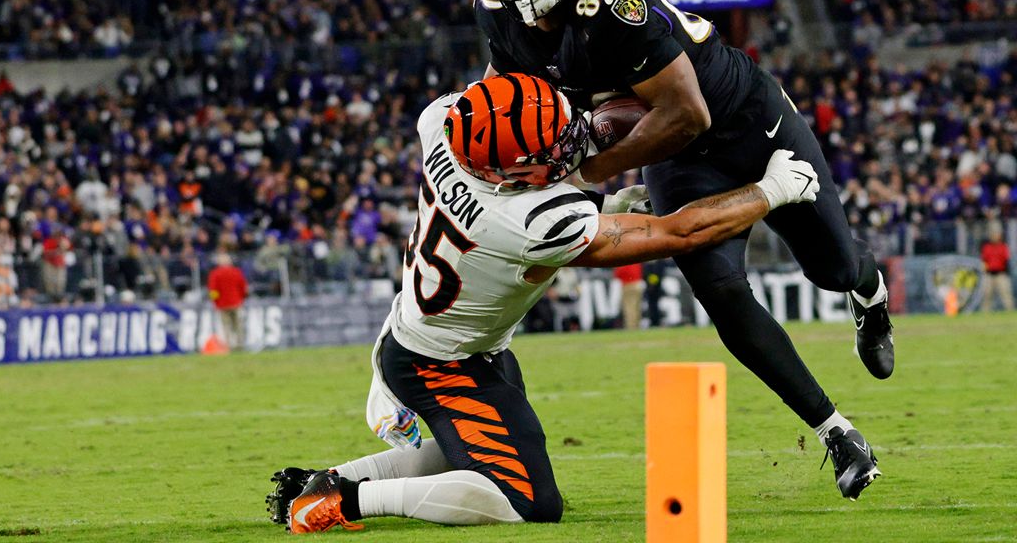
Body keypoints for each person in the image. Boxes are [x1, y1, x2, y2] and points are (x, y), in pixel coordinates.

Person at [265, 75, 846, 533]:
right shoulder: (531, 219)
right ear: (518, 172)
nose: (568, 143)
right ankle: (345, 501)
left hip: (428, 339)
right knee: (526, 500)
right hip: (442, 366)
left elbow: (500, 108)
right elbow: (680, 233)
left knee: (468, 455)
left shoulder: (442, 124)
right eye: (551, 147)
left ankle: (325, 481)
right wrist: (770, 191)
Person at [472, 0, 891, 497]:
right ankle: (836, 432)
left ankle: (870, 294)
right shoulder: (495, 8)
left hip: (748, 124)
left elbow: (686, 113)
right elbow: (510, 101)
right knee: (722, 292)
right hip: (679, 157)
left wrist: (590, 173)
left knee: (832, 269)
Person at [207, 252, 249, 351]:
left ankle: (229, 346)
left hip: (222, 304)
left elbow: (213, 290)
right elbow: (243, 287)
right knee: (238, 325)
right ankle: (240, 344)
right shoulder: (237, 272)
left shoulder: (215, 273)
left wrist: (215, 302)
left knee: (226, 326)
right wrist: (241, 299)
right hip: (236, 302)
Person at [979, 226, 1014, 312]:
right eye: (993, 235)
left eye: (996, 235)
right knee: (987, 295)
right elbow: (984, 260)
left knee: (1006, 294)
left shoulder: (1003, 246)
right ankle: (985, 313)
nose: (995, 237)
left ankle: (1010, 311)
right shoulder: (986, 247)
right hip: (989, 274)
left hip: (1001, 274)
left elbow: (1007, 260)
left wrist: (1007, 272)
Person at [615, 263, 645, 329]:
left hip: (628, 284)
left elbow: (618, 273)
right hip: (638, 284)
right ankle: (637, 326)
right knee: (637, 307)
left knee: (629, 308)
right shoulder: (636, 261)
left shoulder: (624, 262)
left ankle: (631, 327)